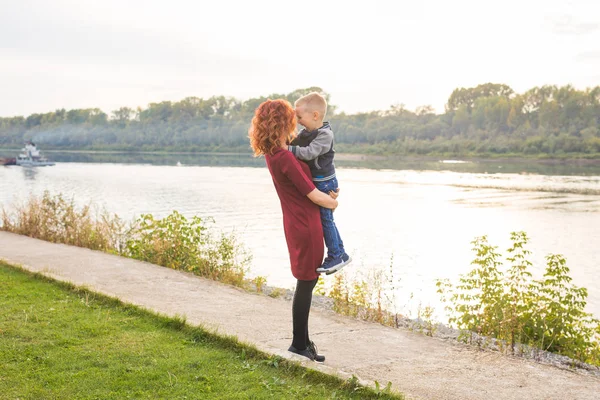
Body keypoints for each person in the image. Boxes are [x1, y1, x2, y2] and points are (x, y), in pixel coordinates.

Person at [248, 98, 338, 362]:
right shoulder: (285, 157)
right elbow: (312, 194)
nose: (296, 122)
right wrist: (333, 201)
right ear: (282, 122)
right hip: (305, 224)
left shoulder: (274, 153)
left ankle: (303, 341)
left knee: (306, 281)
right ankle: (299, 343)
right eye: (292, 119)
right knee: (307, 282)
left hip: (296, 221)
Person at [288, 92, 351, 274]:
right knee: (327, 219)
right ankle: (341, 253)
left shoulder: (325, 135)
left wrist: (287, 149)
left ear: (315, 115)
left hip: (325, 183)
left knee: (326, 220)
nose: (298, 121)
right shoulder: (308, 131)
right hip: (320, 182)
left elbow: (308, 152)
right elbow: (292, 139)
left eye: (300, 117)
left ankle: (335, 255)